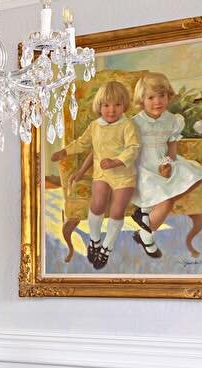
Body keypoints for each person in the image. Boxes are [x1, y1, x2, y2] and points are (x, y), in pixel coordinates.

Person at [52, 81, 139, 270]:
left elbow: (133, 149)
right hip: (102, 174)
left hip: (124, 175)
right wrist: (64, 152)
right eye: (106, 105)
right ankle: (95, 240)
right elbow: (82, 143)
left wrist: (116, 161)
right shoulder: (95, 126)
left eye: (117, 105)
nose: (111, 110)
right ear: (99, 106)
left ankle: (106, 248)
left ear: (124, 106)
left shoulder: (127, 125)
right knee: (97, 203)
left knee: (117, 210)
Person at [128, 72, 202, 259]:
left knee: (196, 175)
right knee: (167, 200)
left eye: (162, 96)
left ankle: (144, 217)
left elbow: (172, 145)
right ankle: (146, 235)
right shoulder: (134, 123)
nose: (157, 102)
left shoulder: (172, 120)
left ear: (168, 96)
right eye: (151, 98)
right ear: (141, 101)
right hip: (143, 168)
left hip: (163, 163)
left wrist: (168, 163)